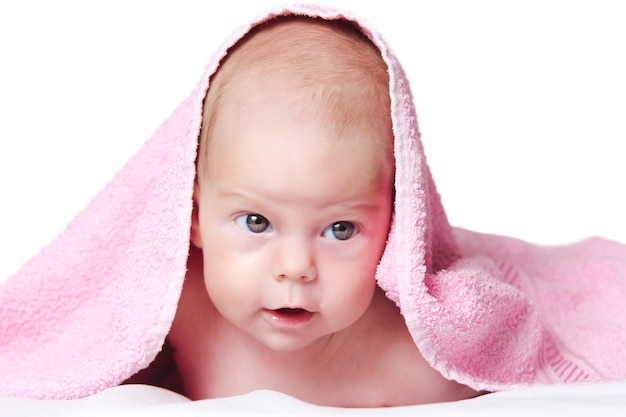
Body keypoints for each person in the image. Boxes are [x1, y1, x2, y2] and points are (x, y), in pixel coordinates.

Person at [163, 16, 478, 407]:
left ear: (394, 229)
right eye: (256, 223)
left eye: (340, 229)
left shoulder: (422, 371)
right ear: (193, 216)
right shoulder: (171, 305)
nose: (295, 267)